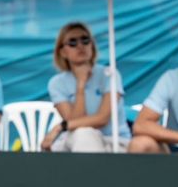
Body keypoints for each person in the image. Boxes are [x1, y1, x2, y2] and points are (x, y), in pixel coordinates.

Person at [40, 22, 130, 152]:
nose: (80, 46)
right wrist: (80, 85)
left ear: (92, 45)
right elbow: (76, 123)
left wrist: (61, 126)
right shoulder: (56, 83)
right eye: (72, 42)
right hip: (78, 139)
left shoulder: (110, 74)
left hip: (114, 140)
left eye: (85, 40)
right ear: (63, 52)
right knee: (82, 134)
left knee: (83, 135)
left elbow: (102, 119)